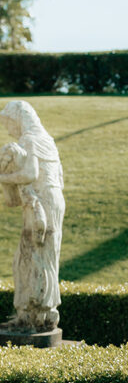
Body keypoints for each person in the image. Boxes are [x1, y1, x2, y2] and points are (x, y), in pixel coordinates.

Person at [0, 101, 65, 332]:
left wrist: (3, 177)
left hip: (39, 202)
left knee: (29, 255)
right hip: (53, 201)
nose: (8, 130)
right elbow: (59, 177)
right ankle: (42, 313)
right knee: (45, 255)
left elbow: (30, 173)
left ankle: (31, 316)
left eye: (8, 123)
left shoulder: (29, 139)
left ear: (18, 119)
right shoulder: (48, 140)